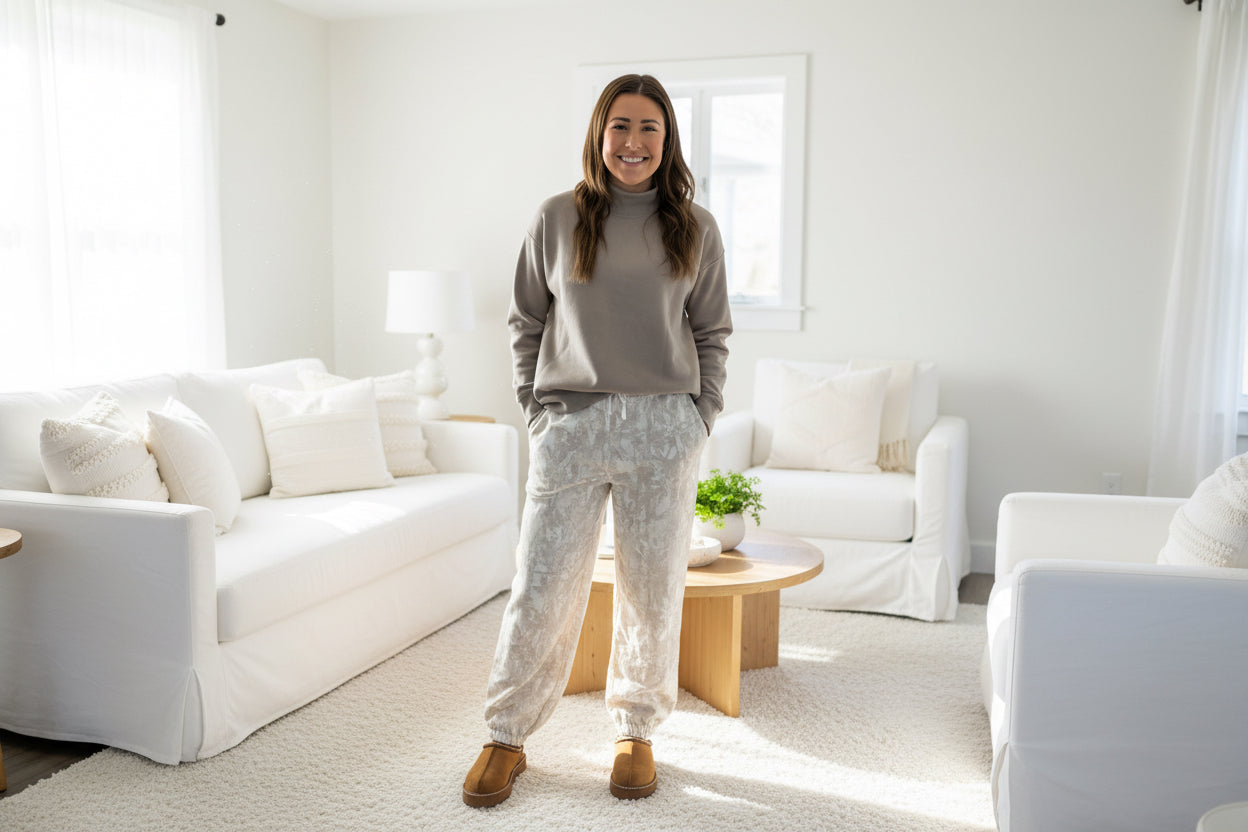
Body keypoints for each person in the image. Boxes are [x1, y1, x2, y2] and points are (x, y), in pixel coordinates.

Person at [461, 73, 732, 808]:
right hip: (571, 427)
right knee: (541, 587)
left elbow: (712, 332)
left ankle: (635, 730)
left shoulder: (695, 227)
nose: (633, 142)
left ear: (667, 139)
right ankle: (506, 734)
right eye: (620, 126)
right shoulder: (555, 217)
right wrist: (536, 411)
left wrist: (699, 416)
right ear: (598, 134)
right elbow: (525, 322)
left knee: (652, 588)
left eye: (649, 128)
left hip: (663, 428)